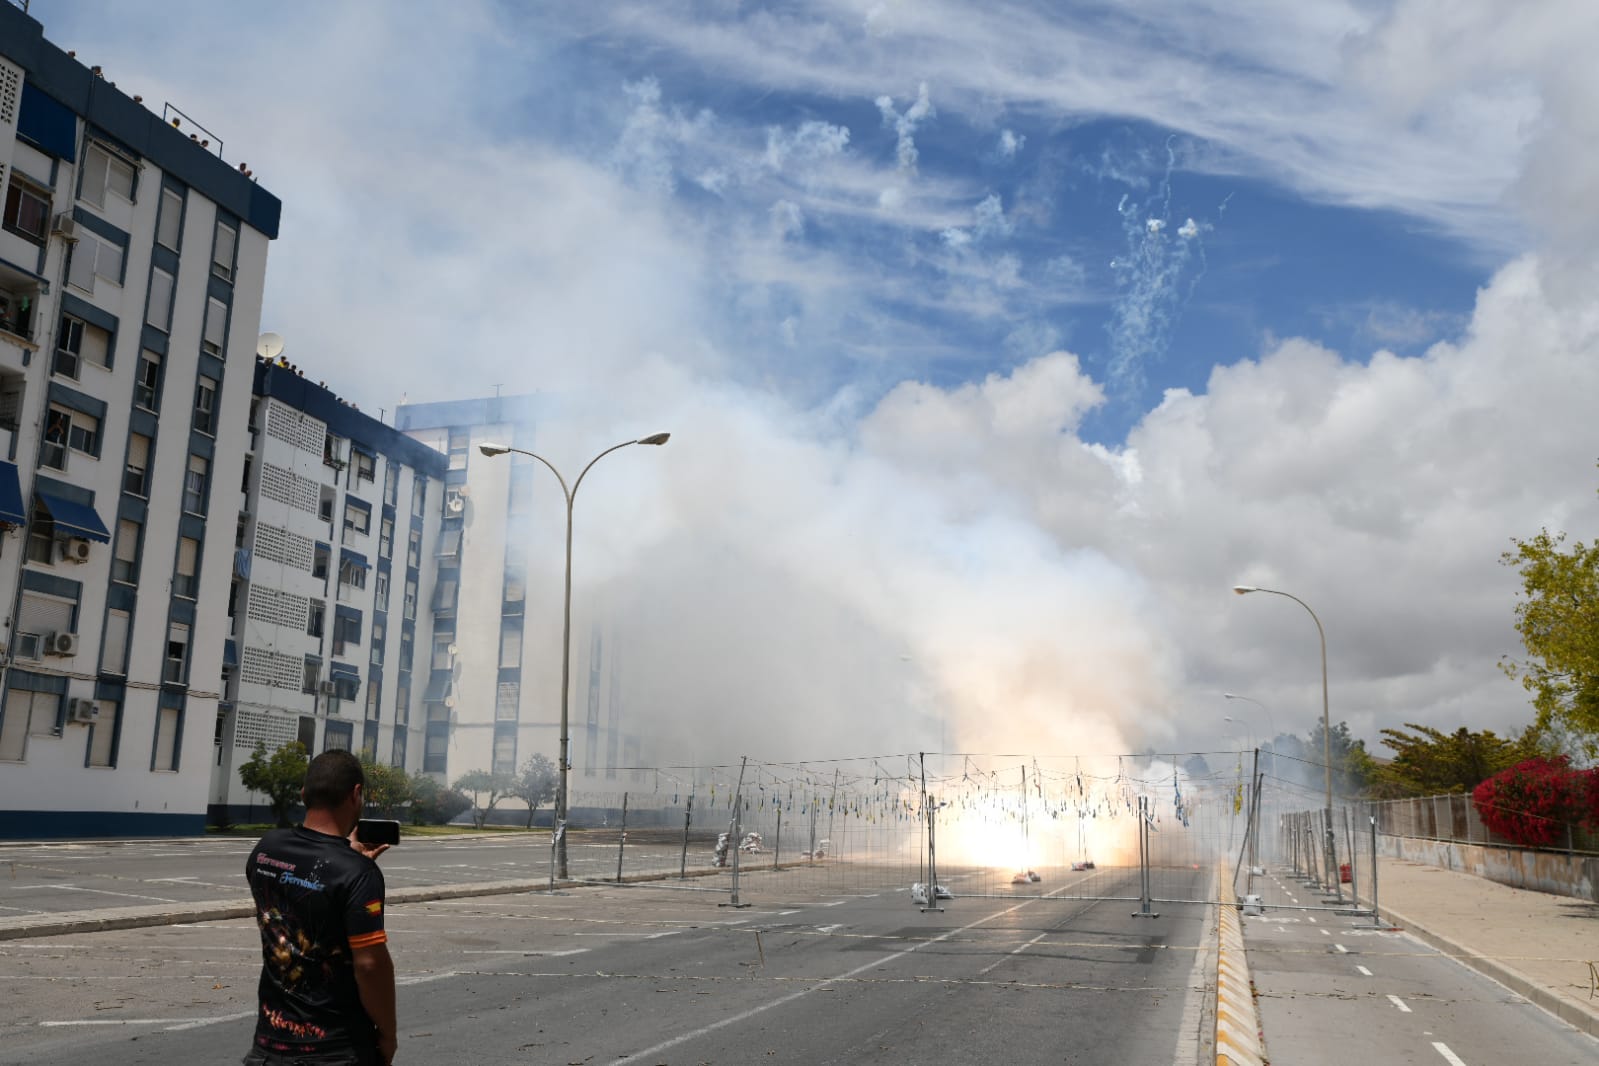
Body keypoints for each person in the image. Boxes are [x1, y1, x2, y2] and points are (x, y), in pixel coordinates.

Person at [244, 750, 397, 1066]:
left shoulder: (265, 850)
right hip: (334, 1051)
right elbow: (370, 965)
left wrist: (345, 858)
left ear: (304, 794)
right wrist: (388, 1034)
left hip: (268, 1046)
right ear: (356, 794)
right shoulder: (357, 874)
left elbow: (305, 884)